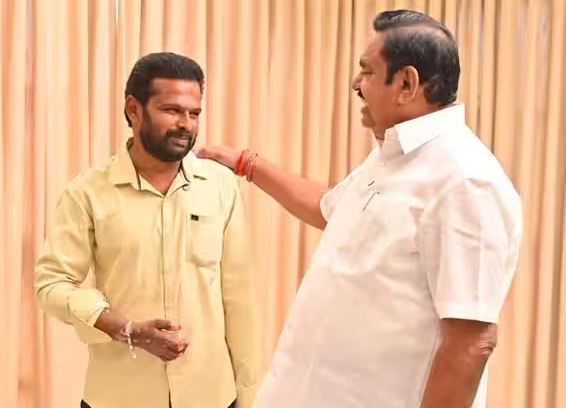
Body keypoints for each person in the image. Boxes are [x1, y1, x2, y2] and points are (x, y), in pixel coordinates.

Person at [197, 10, 522, 408]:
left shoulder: (465, 181)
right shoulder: (392, 154)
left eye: (367, 71)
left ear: (406, 84)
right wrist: (247, 165)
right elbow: (330, 208)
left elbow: (471, 342)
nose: (356, 83)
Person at [35, 52, 261, 408]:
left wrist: (249, 397)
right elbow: (52, 284)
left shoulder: (221, 186)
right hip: (119, 397)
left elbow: (239, 299)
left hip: (211, 396)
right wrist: (121, 327)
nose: (186, 124)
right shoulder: (86, 192)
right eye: (172, 110)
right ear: (133, 110)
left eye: (194, 113)